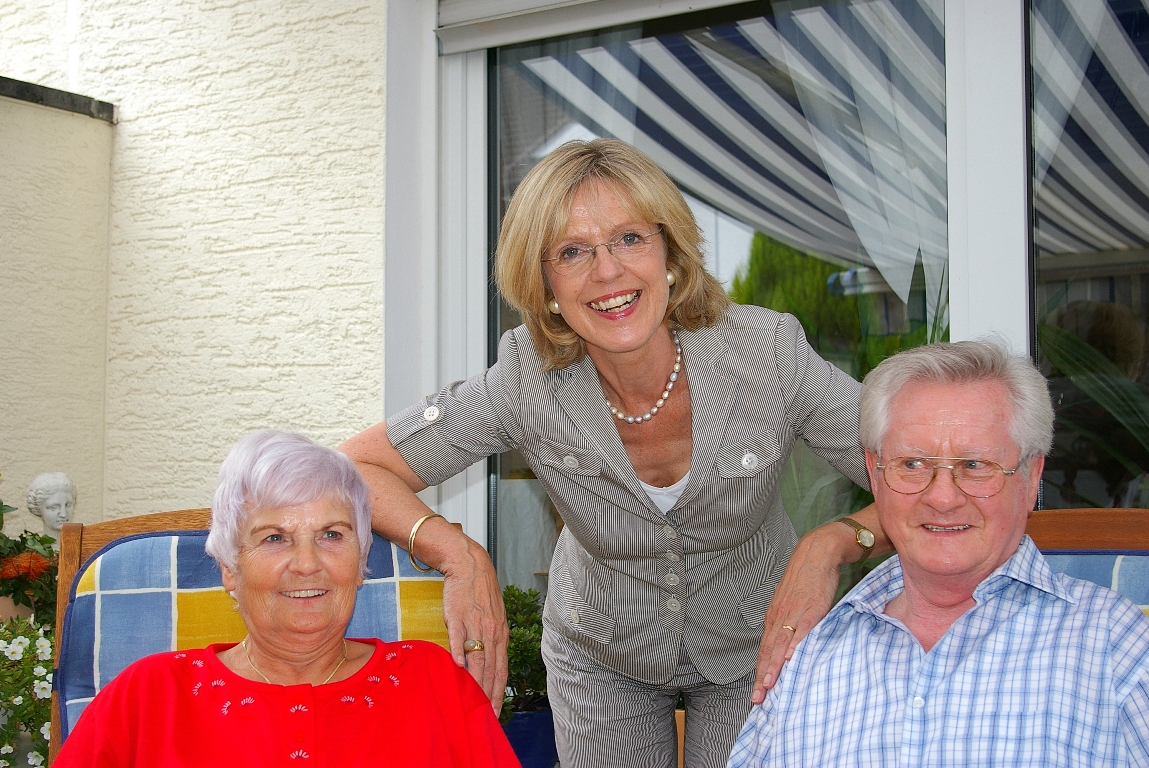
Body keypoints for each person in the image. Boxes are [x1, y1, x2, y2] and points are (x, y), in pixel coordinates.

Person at [340, 138, 887, 767]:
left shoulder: (765, 354)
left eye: (629, 238)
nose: (608, 272)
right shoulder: (527, 380)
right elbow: (352, 467)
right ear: (545, 284)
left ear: (669, 252)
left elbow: (915, 475)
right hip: (600, 656)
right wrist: (454, 551)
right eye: (572, 252)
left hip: (756, 645)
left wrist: (836, 541)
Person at [727, 339, 1149, 767]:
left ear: (1031, 476)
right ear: (875, 474)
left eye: (974, 465)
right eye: (913, 464)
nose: (943, 498)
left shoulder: (1113, 644)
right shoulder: (807, 656)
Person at [54, 430, 520, 767]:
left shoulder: (433, 682)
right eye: (275, 537)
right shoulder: (148, 696)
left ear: (360, 562)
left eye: (332, 535)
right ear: (229, 568)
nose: (306, 563)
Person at [25, 471, 76, 544]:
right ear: (38, 509)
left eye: (68, 505)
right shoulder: (30, 550)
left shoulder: (85, 548)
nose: (63, 514)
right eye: (53, 507)